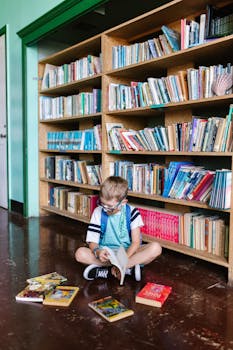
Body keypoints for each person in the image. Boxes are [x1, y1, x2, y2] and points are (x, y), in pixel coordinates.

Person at [75, 176, 162, 281]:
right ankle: (125, 269)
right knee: (80, 254)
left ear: (123, 202)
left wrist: (123, 260)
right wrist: (98, 251)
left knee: (156, 248)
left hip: (128, 252)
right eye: (102, 204)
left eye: (110, 206)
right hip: (106, 253)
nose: (105, 209)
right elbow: (92, 241)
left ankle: (116, 268)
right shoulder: (98, 212)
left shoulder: (132, 212)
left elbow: (135, 242)